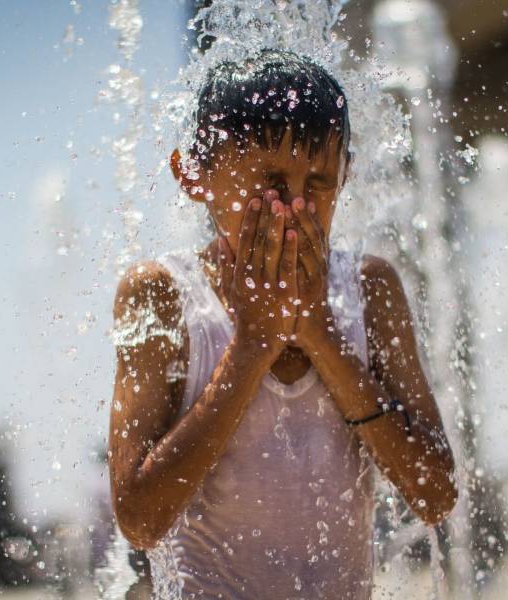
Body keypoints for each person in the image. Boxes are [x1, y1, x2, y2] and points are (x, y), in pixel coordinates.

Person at [108, 49, 457, 599]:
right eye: (272, 180)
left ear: (347, 175)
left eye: (319, 182)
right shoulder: (165, 296)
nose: (296, 204)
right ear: (193, 175)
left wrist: (321, 334)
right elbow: (140, 519)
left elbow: (436, 495)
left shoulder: (368, 290)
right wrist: (251, 347)